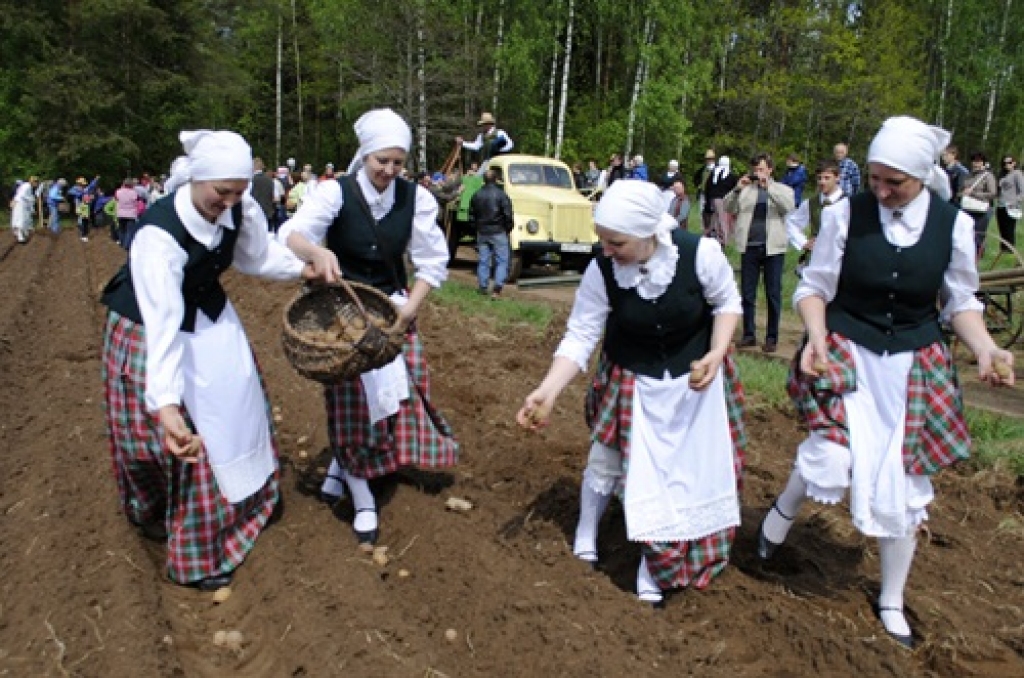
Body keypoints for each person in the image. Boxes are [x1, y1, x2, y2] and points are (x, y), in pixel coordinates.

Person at [756, 116, 1014, 649]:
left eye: (893, 182)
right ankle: (782, 511)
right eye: (874, 178)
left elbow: (960, 301)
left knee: (903, 481)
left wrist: (986, 348)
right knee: (832, 456)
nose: (880, 190)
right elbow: (814, 285)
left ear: (921, 176)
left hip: (912, 366)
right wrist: (816, 336)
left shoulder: (952, 225)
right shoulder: (846, 214)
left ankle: (892, 599)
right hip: (847, 350)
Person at [99, 129, 333, 591]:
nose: (228, 202)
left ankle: (222, 522)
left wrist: (301, 269)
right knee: (162, 436)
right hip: (147, 329)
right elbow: (163, 322)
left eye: (238, 192)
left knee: (231, 415)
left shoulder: (238, 208)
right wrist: (166, 403)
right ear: (196, 179)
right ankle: (155, 514)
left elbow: (256, 256)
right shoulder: (158, 236)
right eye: (221, 191)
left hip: (209, 316)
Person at [515, 180, 745, 606]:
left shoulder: (699, 254)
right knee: (607, 458)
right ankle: (587, 531)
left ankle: (652, 564)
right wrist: (547, 390)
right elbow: (581, 333)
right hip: (633, 377)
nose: (606, 251)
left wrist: (717, 352)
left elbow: (727, 302)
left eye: (616, 242)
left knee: (680, 474)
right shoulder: (602, 270)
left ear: (647, 233)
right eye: (602, 240)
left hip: (692, 383)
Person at [280, 108, 459, 546]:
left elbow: (433, 260)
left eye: (398, 162)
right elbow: (293, 234)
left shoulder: (415, 199)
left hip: (391, 308)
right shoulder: (335, 193)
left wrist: (409, 310)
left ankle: (344, 467)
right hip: (342, 317)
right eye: (382, 160)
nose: (390, 170)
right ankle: (362, 498)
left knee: (400, 394)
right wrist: (316, 253)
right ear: (365, 155)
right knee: (350, 404)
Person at [724, 152, 796, 353]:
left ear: (770, 170)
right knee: (748, 293)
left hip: (773, 248)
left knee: (773, 293)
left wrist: (768, 188)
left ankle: (772, 337)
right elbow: (728, 206)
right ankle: (749, 334)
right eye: (755, 170)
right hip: (749, 246)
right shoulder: (745, 190)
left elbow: (788, 207)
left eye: (761, 169)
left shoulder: (783, 189)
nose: (758, 173)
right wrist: (737, 189)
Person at [786, 159, 846, 276]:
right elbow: (791, 224)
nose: (822, 182)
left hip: (841, 262)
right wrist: (803, 242)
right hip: (816, 261)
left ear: (837, 177)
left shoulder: (848, 204)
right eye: (819, 178)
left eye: (827, 178)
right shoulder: (810, 204)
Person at [469, 169, 514, 298]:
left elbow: (471, 215)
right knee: (502, 261)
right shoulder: (502, 195)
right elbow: (508, 215)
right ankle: (497, 289)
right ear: (496, 180)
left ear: (484, 180)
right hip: (498, 231)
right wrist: (507, 229)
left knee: (483, 260)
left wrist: (476, 228)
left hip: (482, 232)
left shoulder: (476, 195)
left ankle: (483, 287)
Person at [959, 151, 997, 258]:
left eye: (979, 161)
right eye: (974, 161)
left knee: (978, 234)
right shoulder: (968, 175)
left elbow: (992, 193)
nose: (976, 163)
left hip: (981, 209)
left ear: (983, 162)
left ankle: (977, 256)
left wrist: (974, 194)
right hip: (967, 208)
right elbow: (962, 190)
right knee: (966, 233)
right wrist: (962, 193)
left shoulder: (988, 176)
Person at [706, 156, 738, 244]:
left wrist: (708, 201)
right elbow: (735, 188)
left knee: (716, 218)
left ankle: (715, 237)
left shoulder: (714, 174)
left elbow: (708, 187)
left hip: (713, 199)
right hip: (723, 199)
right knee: (722, 219)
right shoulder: (730, 175)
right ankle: (724, 239)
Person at [995, 155, 1023, 251]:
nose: (1007, 165)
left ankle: (1010, 250)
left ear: (1014, 163)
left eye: (1009, 162)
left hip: (1011, 207)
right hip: (1000, 206)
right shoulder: (1003, 175)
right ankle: (1003, 250)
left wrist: (1014, 201)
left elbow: (1022, 192)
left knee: (1009, 230)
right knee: (1002, 230)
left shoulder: (1017, 174)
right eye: (1005, 163)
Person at [694, 149, 717, 234]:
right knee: (701, 211)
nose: (709, 160)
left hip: (712, 194)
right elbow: (696, 178)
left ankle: (712, 229)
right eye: (707, 159)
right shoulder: (703, 169)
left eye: (710, 158)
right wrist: (698, 185)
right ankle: (704, 229)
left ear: (713, 159)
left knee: (712, 212)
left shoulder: (717, 169)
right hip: (703, 194)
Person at [11, 176, 39, 244]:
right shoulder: (27, 186)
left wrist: (32, 208)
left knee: (22, 219)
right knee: (21, 220)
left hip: (21, 204)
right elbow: (22, 195)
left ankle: (22, 233)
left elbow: (19, 194)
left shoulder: (26, 186)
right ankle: (20, 237)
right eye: (36, 182)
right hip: (21, 204)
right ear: (32, 182)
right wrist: (32, 199)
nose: (37, 184)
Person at [114, 178, 140, 248]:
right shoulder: (134, 192)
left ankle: (121, 244)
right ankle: (126, 245)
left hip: (120, 213)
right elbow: (137, 200)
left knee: (121, 230)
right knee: (129, 231)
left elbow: (116, 199)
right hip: (131, 214)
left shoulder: (118, 191)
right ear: (131, 185)